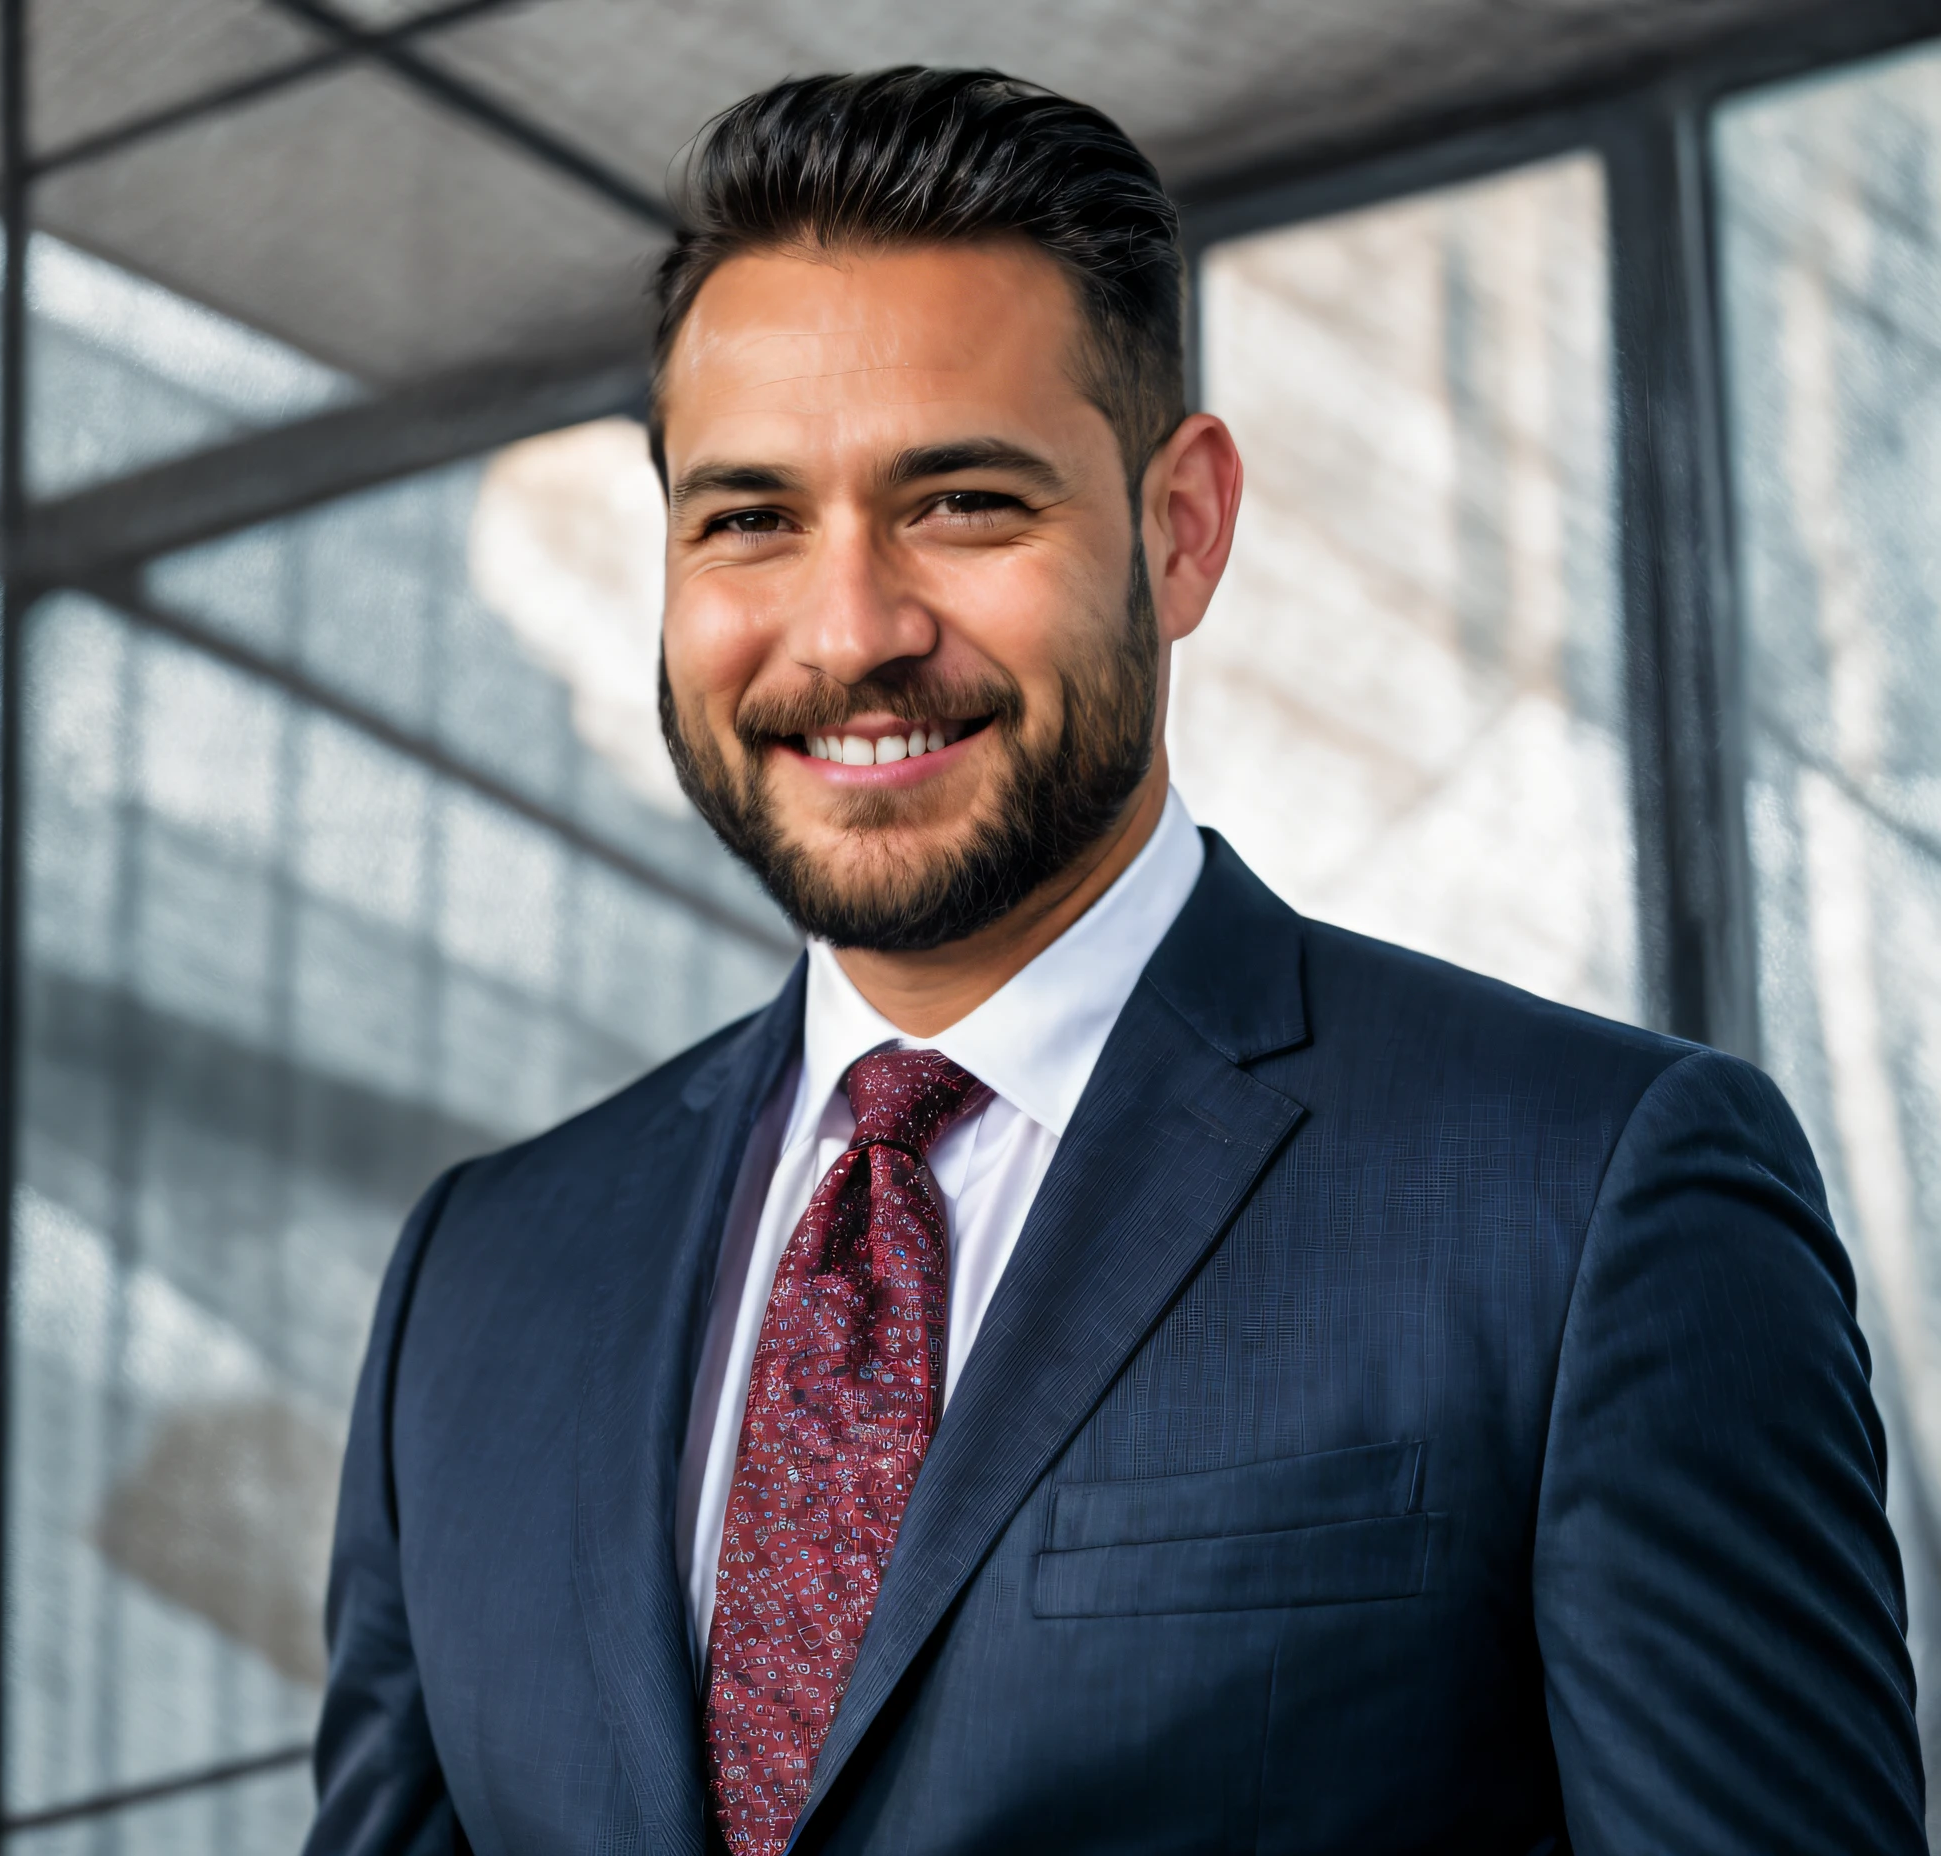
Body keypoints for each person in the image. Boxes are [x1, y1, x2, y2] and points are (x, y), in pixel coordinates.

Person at [304, 67, 1924, 1856]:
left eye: (965, 504)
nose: (850, 630)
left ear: (1182, 529)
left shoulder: (1591, 1198)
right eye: (749, 517)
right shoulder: (481, 1281)